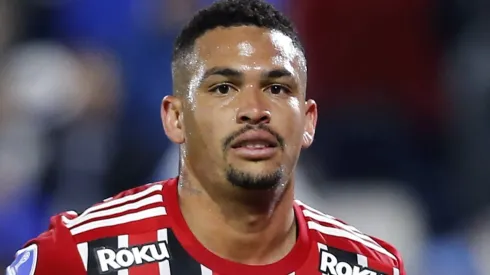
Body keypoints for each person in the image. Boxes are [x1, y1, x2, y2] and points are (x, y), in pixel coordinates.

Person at [6, 0, 406, 274]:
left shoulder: (368, 266)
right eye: (223, 89)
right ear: (176, 118)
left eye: (278, 89)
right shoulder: (80, 256)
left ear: (308, 121)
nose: (254, 108)